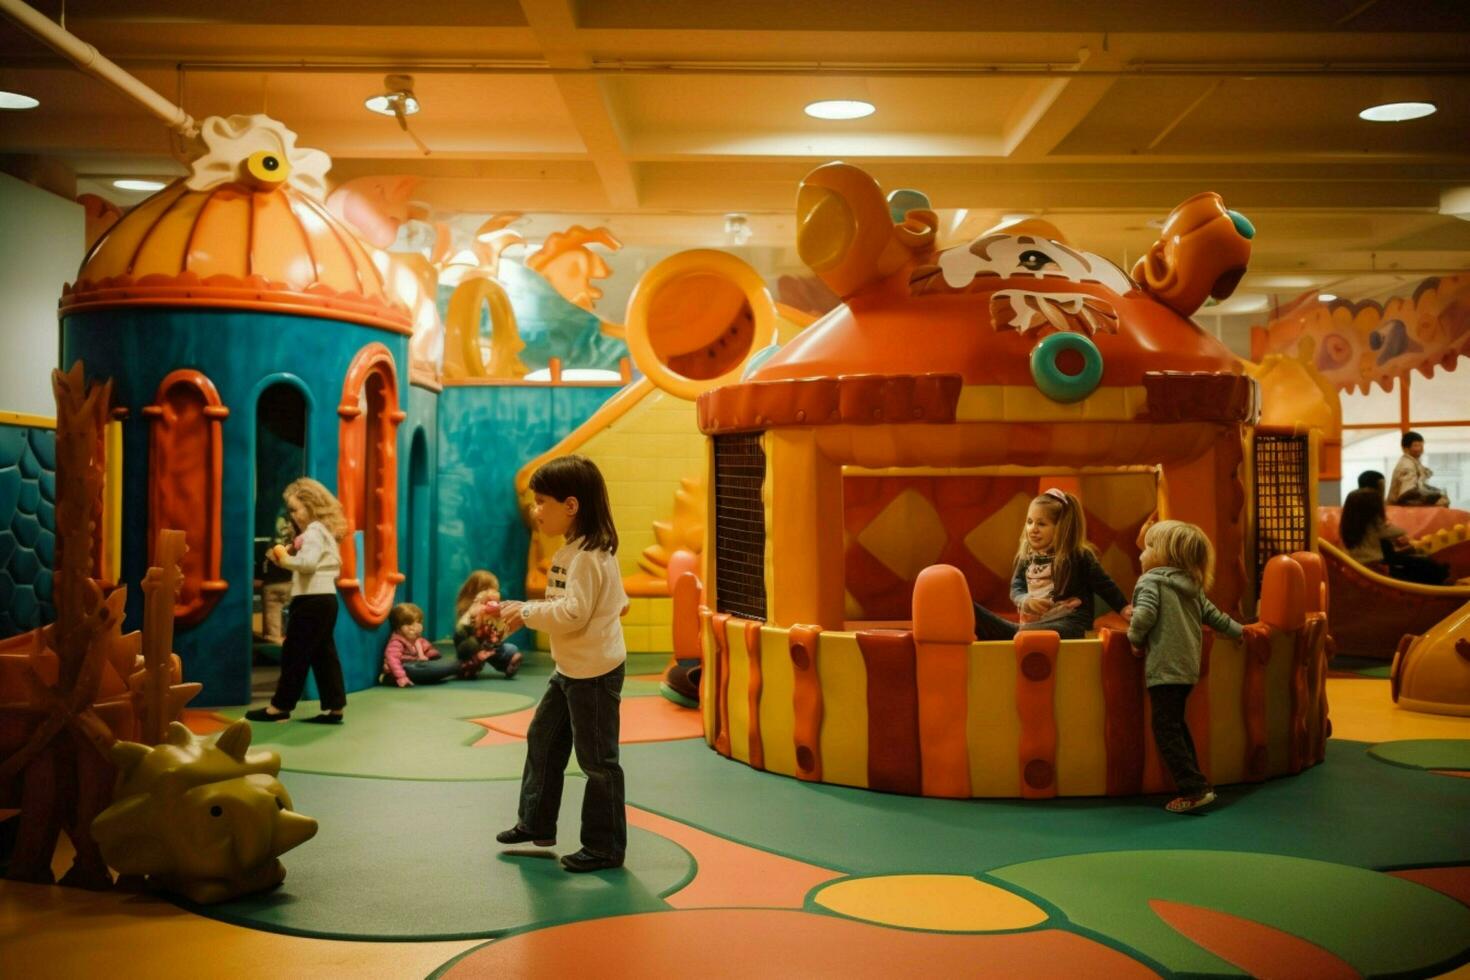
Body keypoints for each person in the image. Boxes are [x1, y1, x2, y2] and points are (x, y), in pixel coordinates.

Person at [496, 455, 629, 873]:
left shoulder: (588, 555)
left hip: (593, 674)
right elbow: (616, 604)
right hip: (571, 669)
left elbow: (573, 614)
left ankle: (604, 847)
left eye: (541, 502)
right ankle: (535, 822)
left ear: (570, 505)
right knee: (544, 739)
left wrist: (525, 611)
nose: (535, 511)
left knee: (598, 762)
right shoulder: (577, 551)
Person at [1127, 520, 1245, 814]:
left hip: (1164, 668)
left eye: (1149, 547)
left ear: (1165, 557)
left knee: (1165, 728)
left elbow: (1143, 617)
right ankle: (1198, 783)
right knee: (1176, 725)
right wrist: (1240, 631)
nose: (1143, 553)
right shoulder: (1192, 588)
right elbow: (1216, 617)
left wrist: (1135, 640)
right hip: (1187, 668)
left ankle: (1192, 789)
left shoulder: (1150, 581)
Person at [246, 478, 349, 725]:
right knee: (324, 654)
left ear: (311, 506)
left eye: (295, 509)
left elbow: (307, 564)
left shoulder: (314, 531)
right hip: (326, 599)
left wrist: (283, 559)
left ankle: (280, 706)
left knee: (295, 653)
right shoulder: (323, 531)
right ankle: (335, 707)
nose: (293, 516)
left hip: (311, 600)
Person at [972, 488, 1132, 641]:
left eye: (1041, 524)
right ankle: (1006, 630)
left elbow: (1104, 585)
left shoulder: (1077, 556)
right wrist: (1026, 600)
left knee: (1024, 632)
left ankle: (1012, 633)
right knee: (972, 609)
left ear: (1061, 529)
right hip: (1035, 623)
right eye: (1029, 522)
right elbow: (1017, 587)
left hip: (1070, 622)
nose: (1033, 529)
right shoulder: (1027, 557)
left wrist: (1123, 608)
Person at [1339, 488, 1449, 585]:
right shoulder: (1375, 525)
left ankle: (1441, 572)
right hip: (1378, 569)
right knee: (1422, 564)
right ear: (1373, 510)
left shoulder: (1349, 526)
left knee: (1416, 561)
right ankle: (1442, 575)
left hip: (1363, 567)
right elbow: (1400, 531)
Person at [453, 570, 522, 679]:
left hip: (487, 644)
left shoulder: (490, 609)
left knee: (510, 648)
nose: (495, 593)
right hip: (470, 644)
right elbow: (462, 628)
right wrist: (476, 611)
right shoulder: (470, 607)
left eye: (495, 590)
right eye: (490, 590)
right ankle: (469, 664)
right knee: (475, 645)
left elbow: (498, 630)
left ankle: (507, 665)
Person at [382, 603, 460, 687]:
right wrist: (401, 677)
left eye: (418, 622)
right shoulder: (396, 643)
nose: (415, 627)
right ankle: (460, 666)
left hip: (414, 666)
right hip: (404, 670)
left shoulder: (415, 640)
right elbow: (393, 660)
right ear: (398, 627)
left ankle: (459, 666)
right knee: (432, 669)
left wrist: (430, 654)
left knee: (440, 665)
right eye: (409, 624)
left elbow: (427, 649)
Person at [258, 508, 294, 645]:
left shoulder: (272, 543)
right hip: (290, 583)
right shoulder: (295, 542)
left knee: (272, 625)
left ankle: (275, 644)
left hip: (272, 584)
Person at [1388, 431, 1449, 507]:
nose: (1420, 449)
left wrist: (1437, 492)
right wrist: (1435, 496)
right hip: (1401, 508)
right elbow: (1407, 493)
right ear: (1405, 448)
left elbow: (1419, 486)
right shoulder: (1407, 465)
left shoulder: (1413, 462)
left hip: (1405, 506)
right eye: (1416, 446)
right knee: (1441, 501)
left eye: (1421, 445)